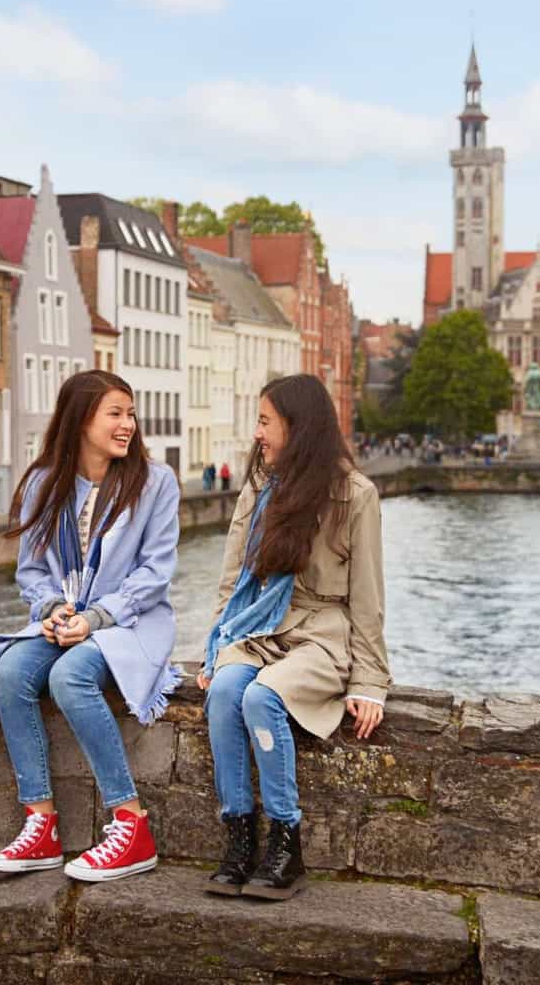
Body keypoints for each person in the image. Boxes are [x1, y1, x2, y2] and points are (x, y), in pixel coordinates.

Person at [0, 371, 181, 883]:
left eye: (130, 414)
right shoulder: (45, 483)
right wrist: (52, 609)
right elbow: (30, 570)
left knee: (69, 677)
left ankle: (132, 826)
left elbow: (154, 575)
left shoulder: (156, 484)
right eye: (115, 413)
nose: (128, 425)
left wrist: (93, 619)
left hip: (130, 622)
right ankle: (41, 825)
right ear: (81, 419)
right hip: (66, 619)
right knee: (12, 672)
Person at [198, 374, 389, 901]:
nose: (257, 433)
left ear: (298, 428)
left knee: (263, 697)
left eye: (265, 421)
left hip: (322, 637)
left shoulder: (356, 496)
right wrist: (215, 648)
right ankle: (239, 835)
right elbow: (233, 578)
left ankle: (286, 840)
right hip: (259, 626)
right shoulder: (261, 487)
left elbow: (368, 598)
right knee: (223, 693)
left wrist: (370, 681)